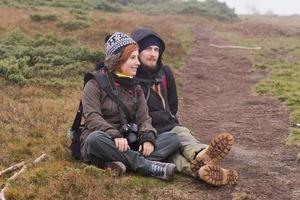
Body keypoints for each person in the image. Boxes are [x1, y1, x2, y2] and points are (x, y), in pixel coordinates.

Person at [131, 27, 238, 186]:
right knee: (172, 154)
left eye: (156, 49)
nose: (153, 54)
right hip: (147, 134)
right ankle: (204, 170)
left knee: (183, 135)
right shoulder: (129, 74)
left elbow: (173, 104)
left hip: (169, 126)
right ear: (136, 51)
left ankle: (201, 155)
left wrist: (168, 119)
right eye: (147, 49)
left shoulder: (164, 72)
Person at [80, 32, 181, 180]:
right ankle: (148, 166)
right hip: (105, 139)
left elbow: (144, 119)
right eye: (132, 58)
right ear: (118, 60)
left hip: (129, 143)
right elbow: (92, 118)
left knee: (173, 138)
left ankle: (120, 163)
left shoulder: (135, 86)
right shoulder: (94, 84)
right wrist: (114, 135)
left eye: (137, 57)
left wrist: (147, 138)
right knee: (94, 140)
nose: (138, 62)